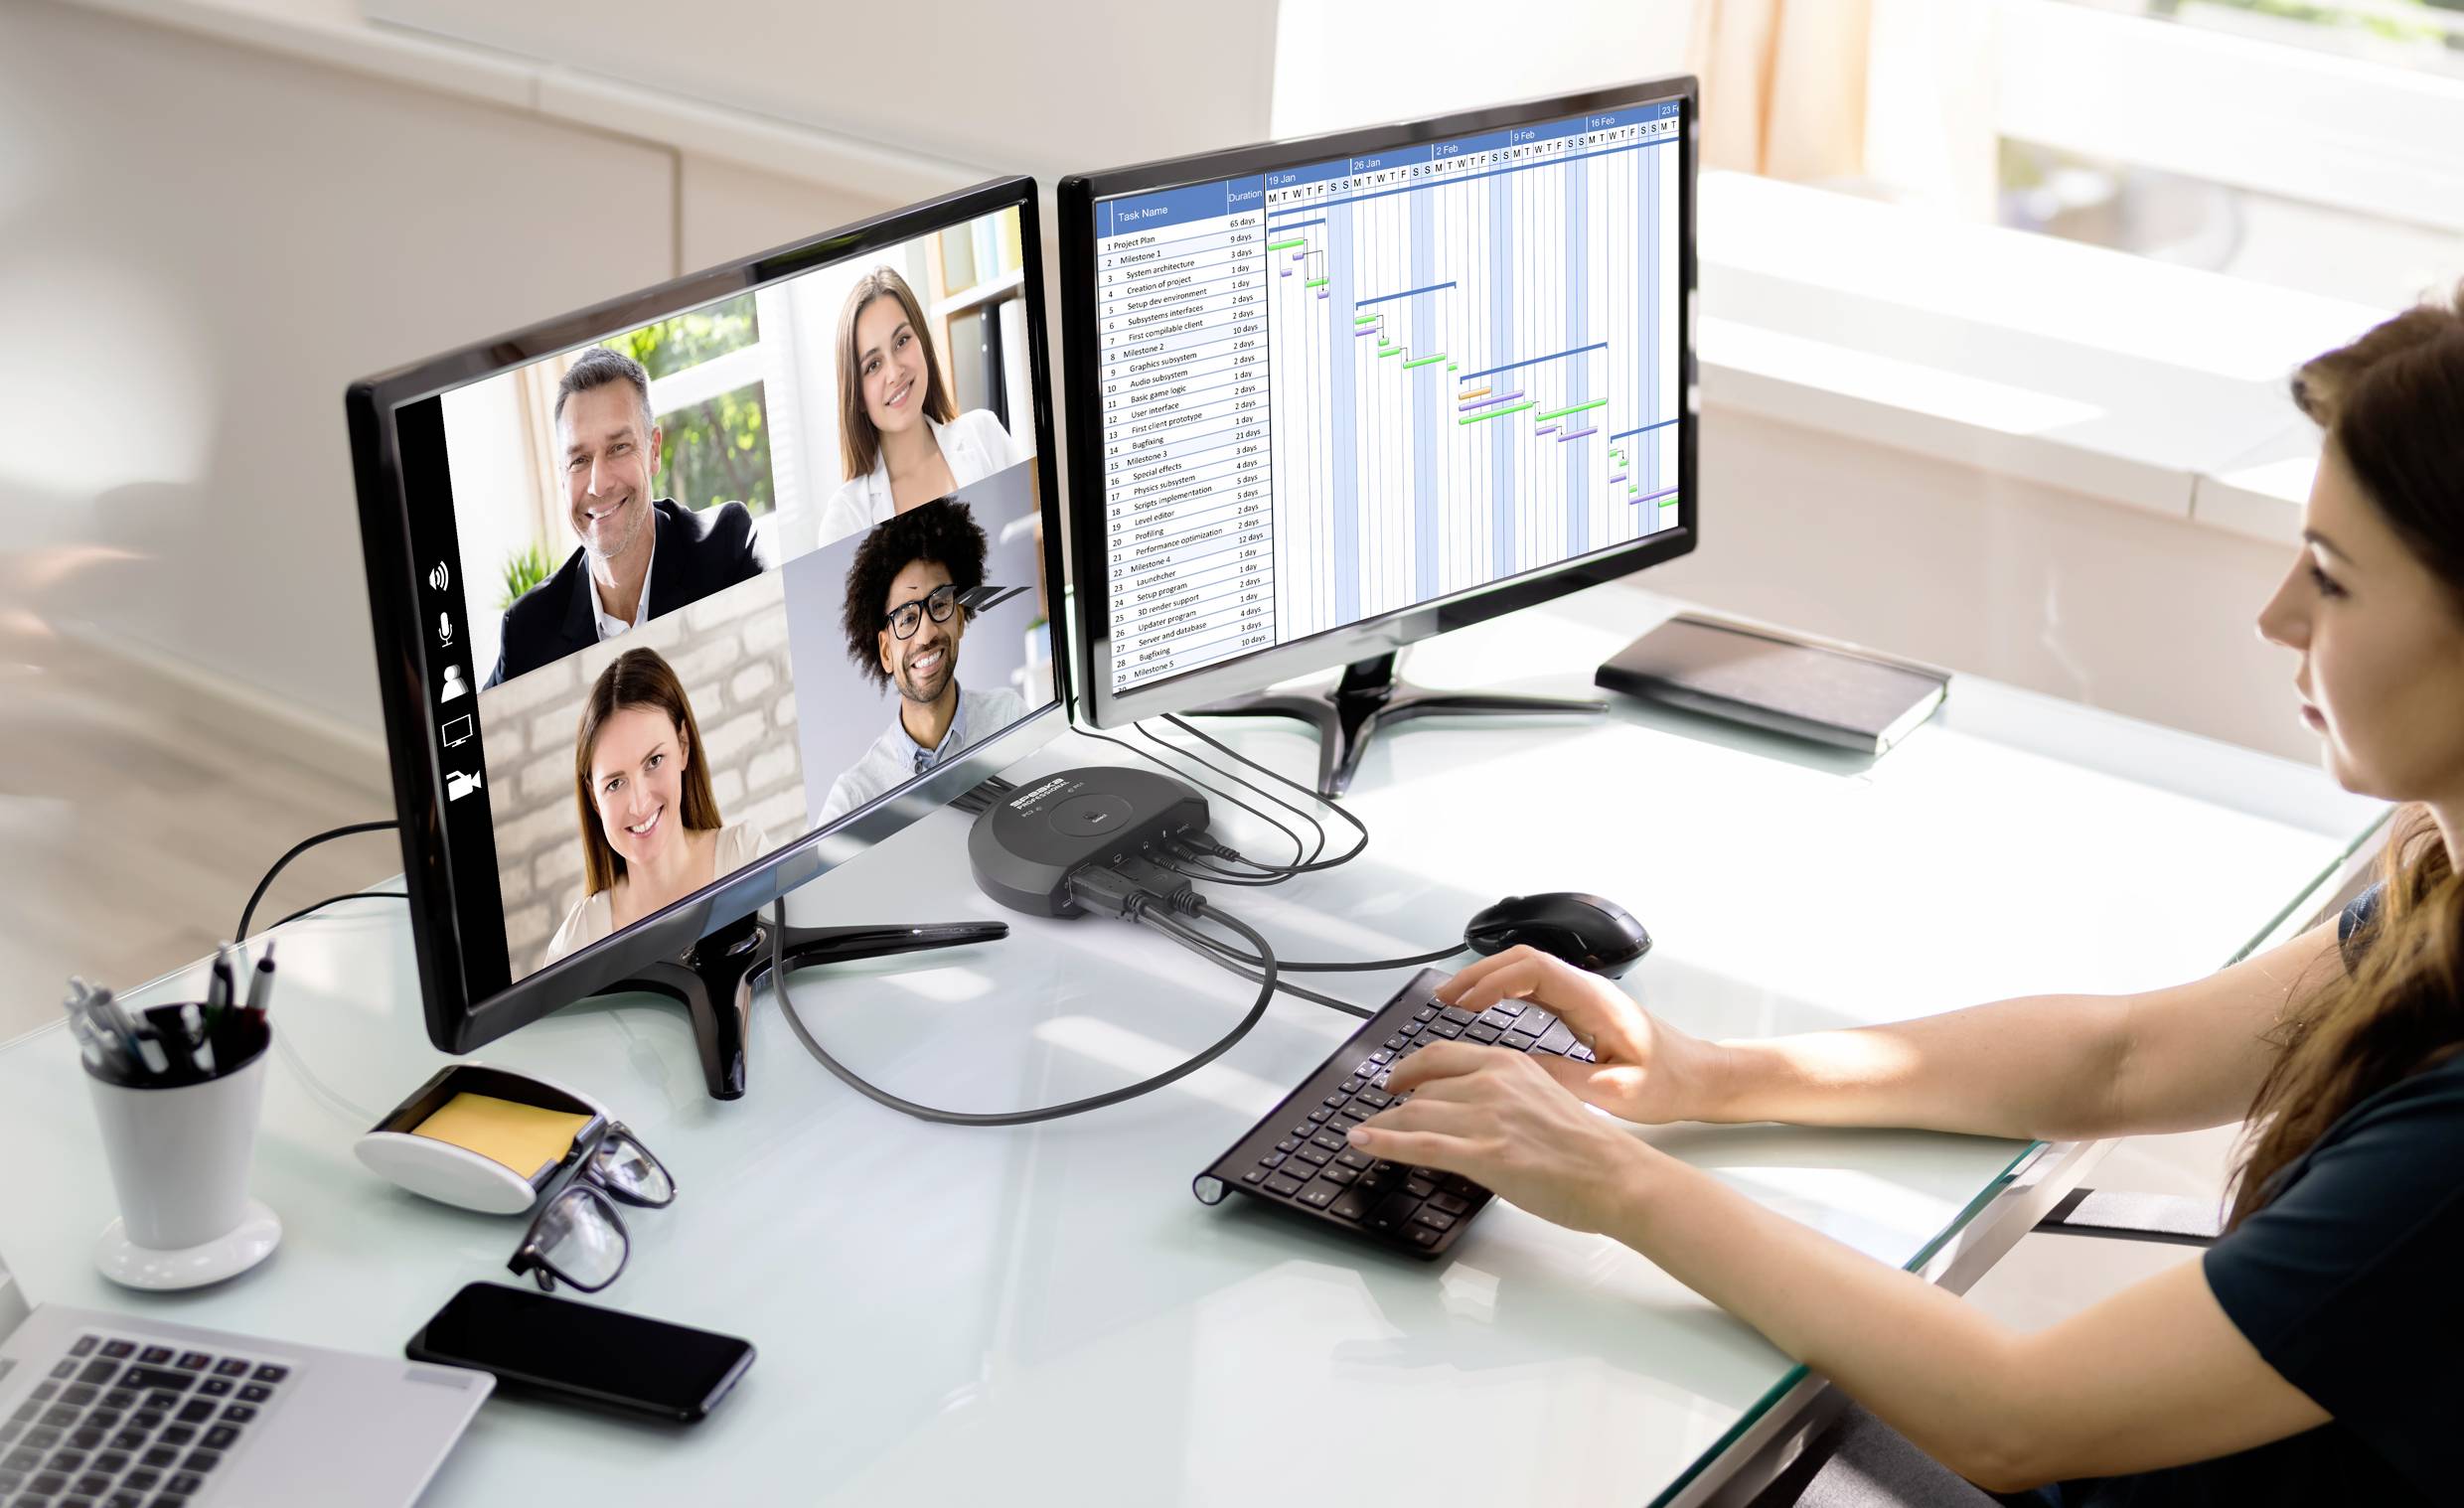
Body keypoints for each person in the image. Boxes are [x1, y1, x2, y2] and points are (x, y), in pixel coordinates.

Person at [1350, 288, 2464, 1506]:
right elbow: (2123, 1059)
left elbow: (2014, 1417)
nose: (2274, 617)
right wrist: (1710, 1077)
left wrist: (1616, 1182)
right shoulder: (2440, 884)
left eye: (2332, 576)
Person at [486, 347, 770, 688]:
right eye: (579, 459)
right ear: (562, 476)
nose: (598, 483)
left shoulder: (726, 549)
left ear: (653, 451)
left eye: (618, 447)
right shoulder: (527, 630)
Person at [544, 648, 767, 965]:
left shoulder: (745, 859)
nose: (639, 804)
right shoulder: (578, 943)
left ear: (683, 746)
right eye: (615, 783)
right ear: (594, 797)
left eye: (654, 761)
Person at [816, 500, 1028, 826]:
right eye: (907, 617)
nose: (926, 632)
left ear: (959, 617)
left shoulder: (1009, 719)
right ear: (886, 652)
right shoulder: (854, 800)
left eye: (940, 604)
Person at [809, 266, 1023, 548]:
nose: (895, 372)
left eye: (902, 341)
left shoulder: (984, 435)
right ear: (857, 395)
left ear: (922, 341)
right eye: (873, 365)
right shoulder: (844, 519)